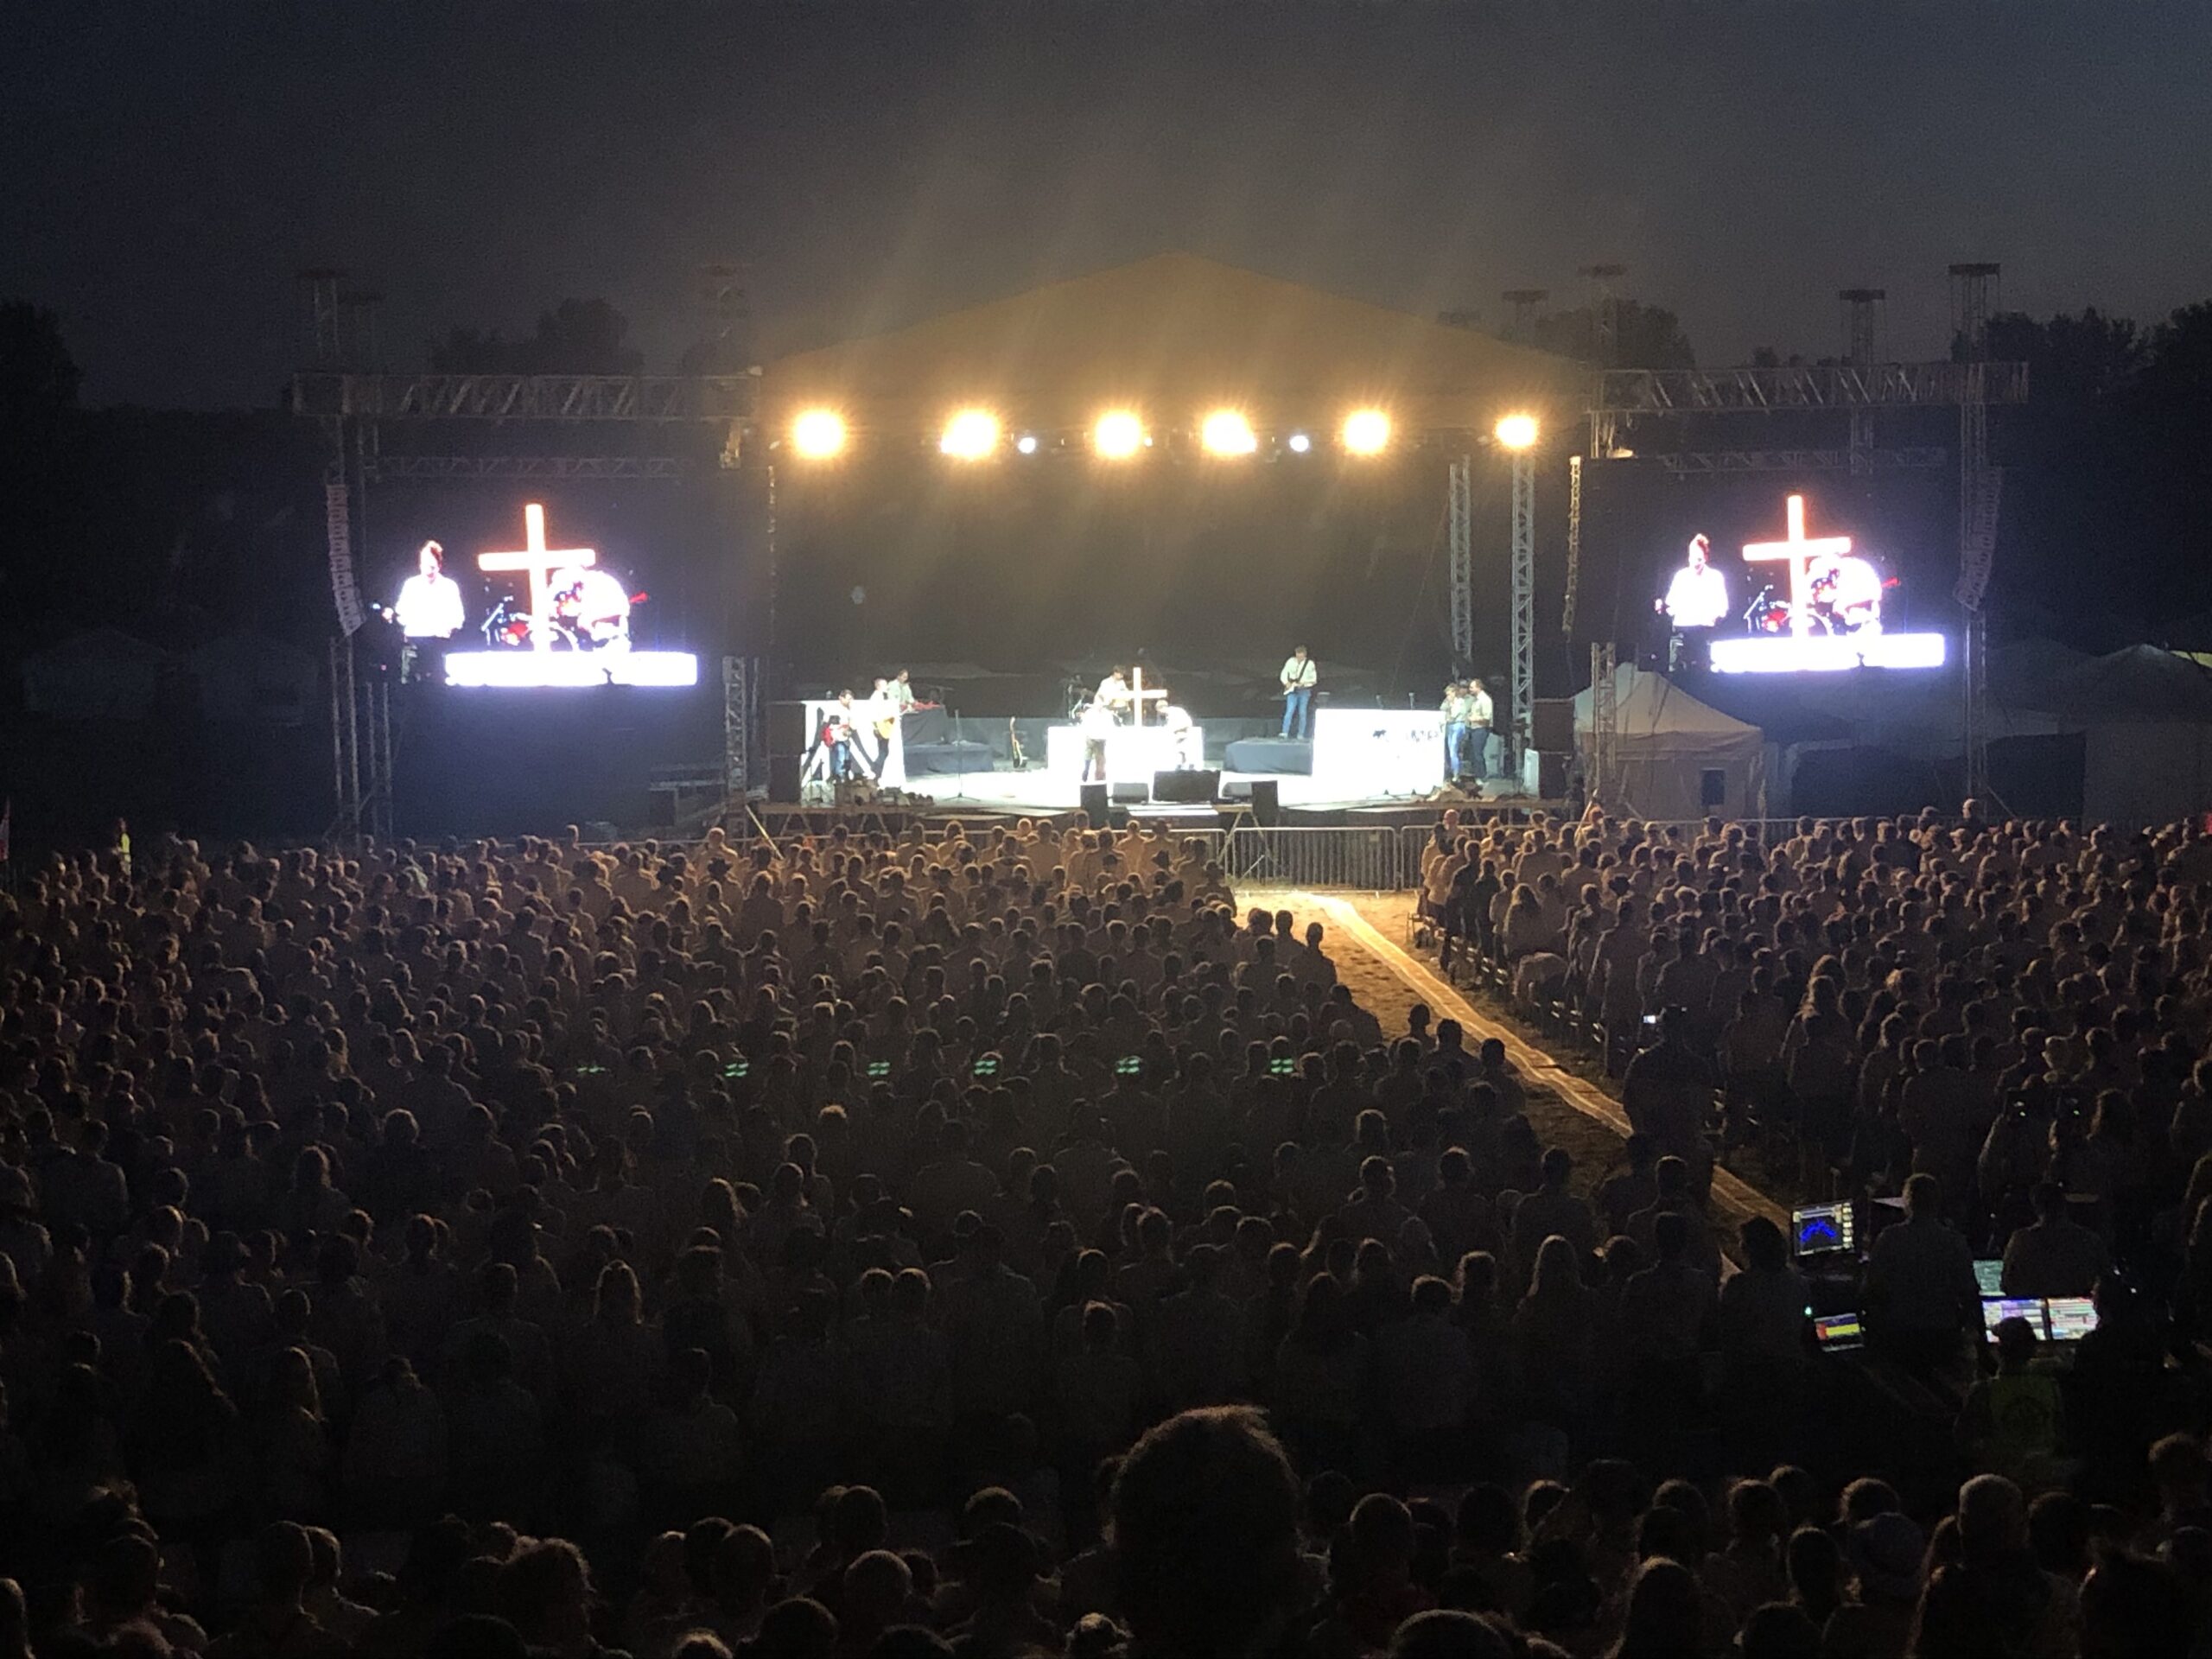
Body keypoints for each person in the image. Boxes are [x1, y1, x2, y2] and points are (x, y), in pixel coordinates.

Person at [393, 540, 467, 640]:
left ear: (439, 566)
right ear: (420, 565)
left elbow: (458, 618)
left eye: (432, 567)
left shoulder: (449, 586)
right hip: (414, 641)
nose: (428, 571)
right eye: (425, 566)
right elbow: (401, 613)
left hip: (440, 642)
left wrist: (448, 628)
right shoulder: (411, 585)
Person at [1656, 533, 1729, 629]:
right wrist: (1662, 606)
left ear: (1706, 558)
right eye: (1693, 558)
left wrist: (1711, 618)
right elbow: (1671, 606)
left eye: (1699, 559)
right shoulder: (1681, 576)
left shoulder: (1715, 577)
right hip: (1682, 630)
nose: (1695, 562)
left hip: (1705, 631)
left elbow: (1722, 608)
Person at [1280, 645, 1318, 738]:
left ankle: (1300, 734)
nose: (1299, 658)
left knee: (1302, 712)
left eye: (1301, 657)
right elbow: (1284, 673)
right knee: (1289, 710)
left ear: (1305, 655)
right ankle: (1285, 732)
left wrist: (1304, 684)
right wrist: (1286, 683)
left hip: (1304, 690)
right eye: (1297, 656)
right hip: (1292, 689)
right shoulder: (1290, 661)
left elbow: (1314, 680)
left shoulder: (1310, 664)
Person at [1465, 678, 1495, 781]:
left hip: (1481, 729)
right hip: (1474, 728)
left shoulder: (1485, 700)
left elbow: (1487, 718)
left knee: (1478, 753)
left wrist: (1474, 719)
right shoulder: (1476, 699)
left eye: (1472, 687)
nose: (1470, 689)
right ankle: (1476, 774)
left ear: (1479, 687)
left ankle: (1481, 776)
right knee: (1473, 753)